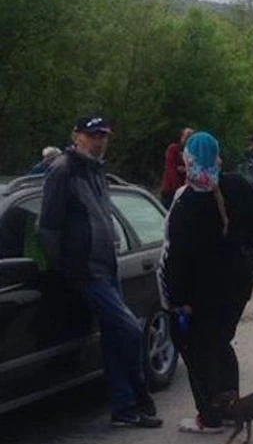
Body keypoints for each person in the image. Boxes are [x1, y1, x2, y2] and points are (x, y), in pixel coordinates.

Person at [39, 116, 162, 428]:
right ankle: (139, 395)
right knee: (129, 330)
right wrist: (64, 267)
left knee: (113, 338)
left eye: (103, 135)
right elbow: (49, 226)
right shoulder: (63, 170)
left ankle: (123, 409)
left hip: (108, 266)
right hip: (86, 271)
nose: (99, 140)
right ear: (76, 136)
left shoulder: (96, 170)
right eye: (93, 135)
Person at [157, 131, 253, 434]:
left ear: (188, 161)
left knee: (197, 352)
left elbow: (175, 255)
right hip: (235, 285)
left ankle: (209, 417)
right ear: (217, 158)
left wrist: (175, 299)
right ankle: (230, 410)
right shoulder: (234, 185)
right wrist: (245, 240)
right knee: (221, 344)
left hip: (199, 294)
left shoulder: (186, 201)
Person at [160, 127, 194, 209]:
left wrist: (185, 169)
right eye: (187, 137)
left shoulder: (193, 152)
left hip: (186, 190)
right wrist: (177, 188)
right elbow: (171, 168)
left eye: (191, 137)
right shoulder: (173, 149)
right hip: (171, 190)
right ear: (182, 137)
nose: (189, 140)